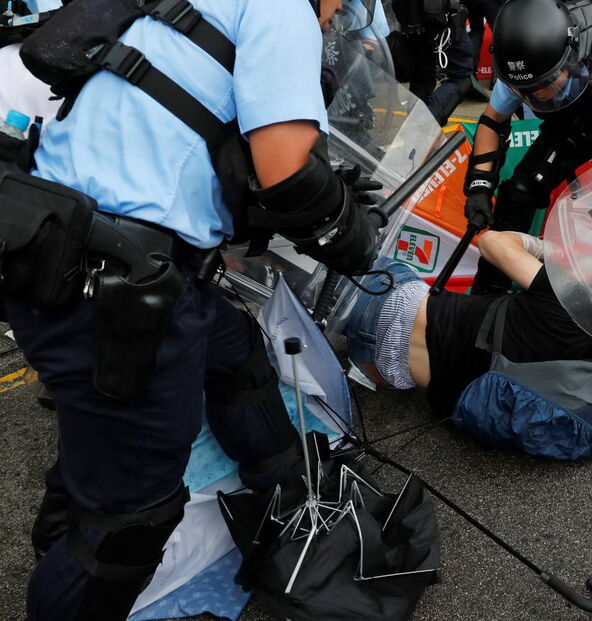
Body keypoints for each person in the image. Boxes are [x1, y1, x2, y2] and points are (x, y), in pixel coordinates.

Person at [0, 0, 382, 618]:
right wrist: (348, 228)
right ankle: (76, 563)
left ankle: (289, 503)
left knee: (232, 357)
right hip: (117, 285)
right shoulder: (281, 8)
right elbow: (285, 178)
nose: (338, 16)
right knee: (132, 517)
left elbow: (197, 142)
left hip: (63, 243)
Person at [341, 230, 592, 420]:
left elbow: (491, 243)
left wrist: (548, 252)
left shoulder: (570, 304)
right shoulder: (579, 392)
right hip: (386, 371)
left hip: (387, 307)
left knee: (333, 246)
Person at [461, 0, 592, 294]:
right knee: (517, 193)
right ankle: (489, 292)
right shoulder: (524, 68)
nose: (537, 95)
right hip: (570, 123)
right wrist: (479, 187)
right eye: (525, 92)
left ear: (572, 58)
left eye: (546, 84)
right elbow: (492, 121)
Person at [387, 0, 475, 125]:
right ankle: (427, 122)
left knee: (422, 79)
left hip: (412, 22)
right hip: (439, 18)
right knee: (462, 78)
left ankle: (415, 126)